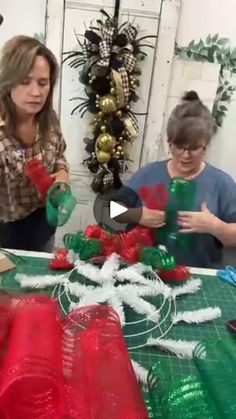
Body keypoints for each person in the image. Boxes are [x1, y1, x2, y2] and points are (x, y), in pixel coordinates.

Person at [116, 91, 236, 268]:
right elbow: (109, 211)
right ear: (169, 142)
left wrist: (215, 226)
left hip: (200, 277)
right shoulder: (147, 175)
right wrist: (137, 215)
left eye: (194, 148)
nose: (185, 155)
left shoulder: (222, 184)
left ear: (206, 146)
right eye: (179, 146)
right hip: (144, 273)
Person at [0, 35, 69, 252]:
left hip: (44, 227)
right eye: (25, 81)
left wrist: (62, 182)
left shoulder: (49, 119)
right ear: (8, 81)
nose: (36, 92)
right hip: (5, 235)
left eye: (43, 83)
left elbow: (59, 158)